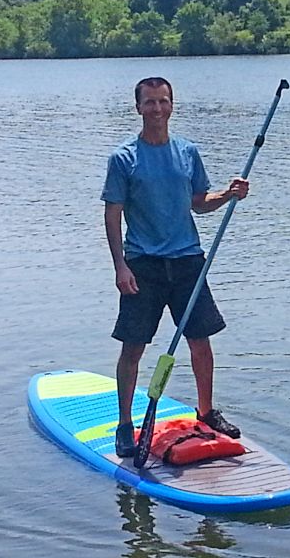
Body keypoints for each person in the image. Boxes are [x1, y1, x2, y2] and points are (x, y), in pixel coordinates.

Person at [102, 76, 249, 457]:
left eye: (162, 101)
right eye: (149, 102)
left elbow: (199, 202)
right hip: (143, 265)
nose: (156, 109)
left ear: (172, 105)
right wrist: (120, 266)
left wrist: (229, 195)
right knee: (133, 348)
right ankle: (124, 425)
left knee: (201, 341)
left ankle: (206, 411)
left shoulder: (188, 152)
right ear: (138, 107)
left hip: (187, 261)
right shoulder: (123, 158)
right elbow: (113, 214)